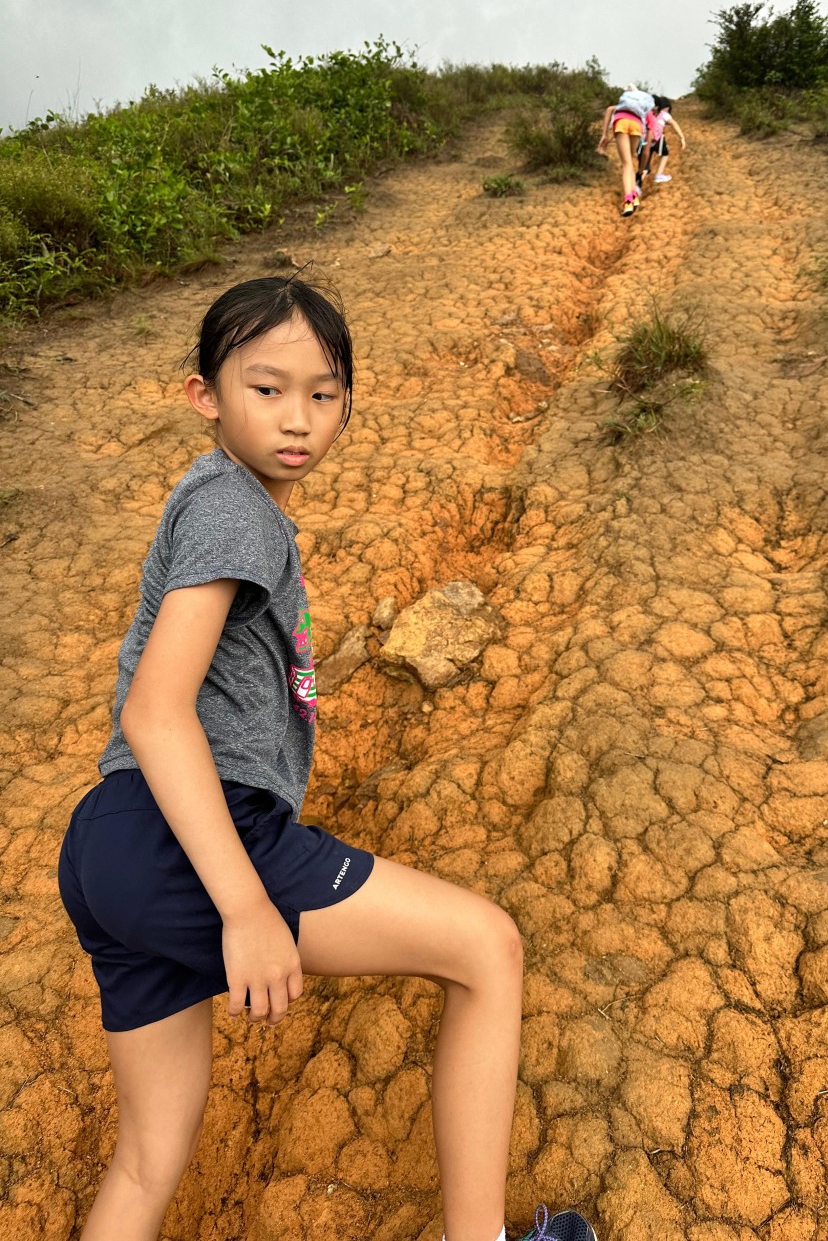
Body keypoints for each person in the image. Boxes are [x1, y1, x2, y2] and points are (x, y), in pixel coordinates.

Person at [57, 274, 598, 1241]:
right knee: (487, 949)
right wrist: (245, 906)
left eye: (324, 392)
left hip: (109, 845)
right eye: (266, 389)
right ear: (204, 395)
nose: (298, 418)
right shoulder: (234, 513)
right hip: (194, 830)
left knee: (145, 1163)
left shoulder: (219, 500)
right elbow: (154, 711)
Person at [597, 83, 655, 217]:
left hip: (621, 122)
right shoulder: (642, 107)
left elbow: (609, 109)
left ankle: (628, 200)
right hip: (636, 125)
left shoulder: (622, 105)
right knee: (631, 161)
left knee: (626, 164)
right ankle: (634, 196)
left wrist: (605, 134)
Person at [637, 94, 686, 186]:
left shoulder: (643, 114)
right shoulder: (664, 115)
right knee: (665, 153)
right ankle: (659, 174)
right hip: (655, 140)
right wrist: (682, 137)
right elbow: (674, 123)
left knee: (644, 169)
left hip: (643, 141)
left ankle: (635, 189)